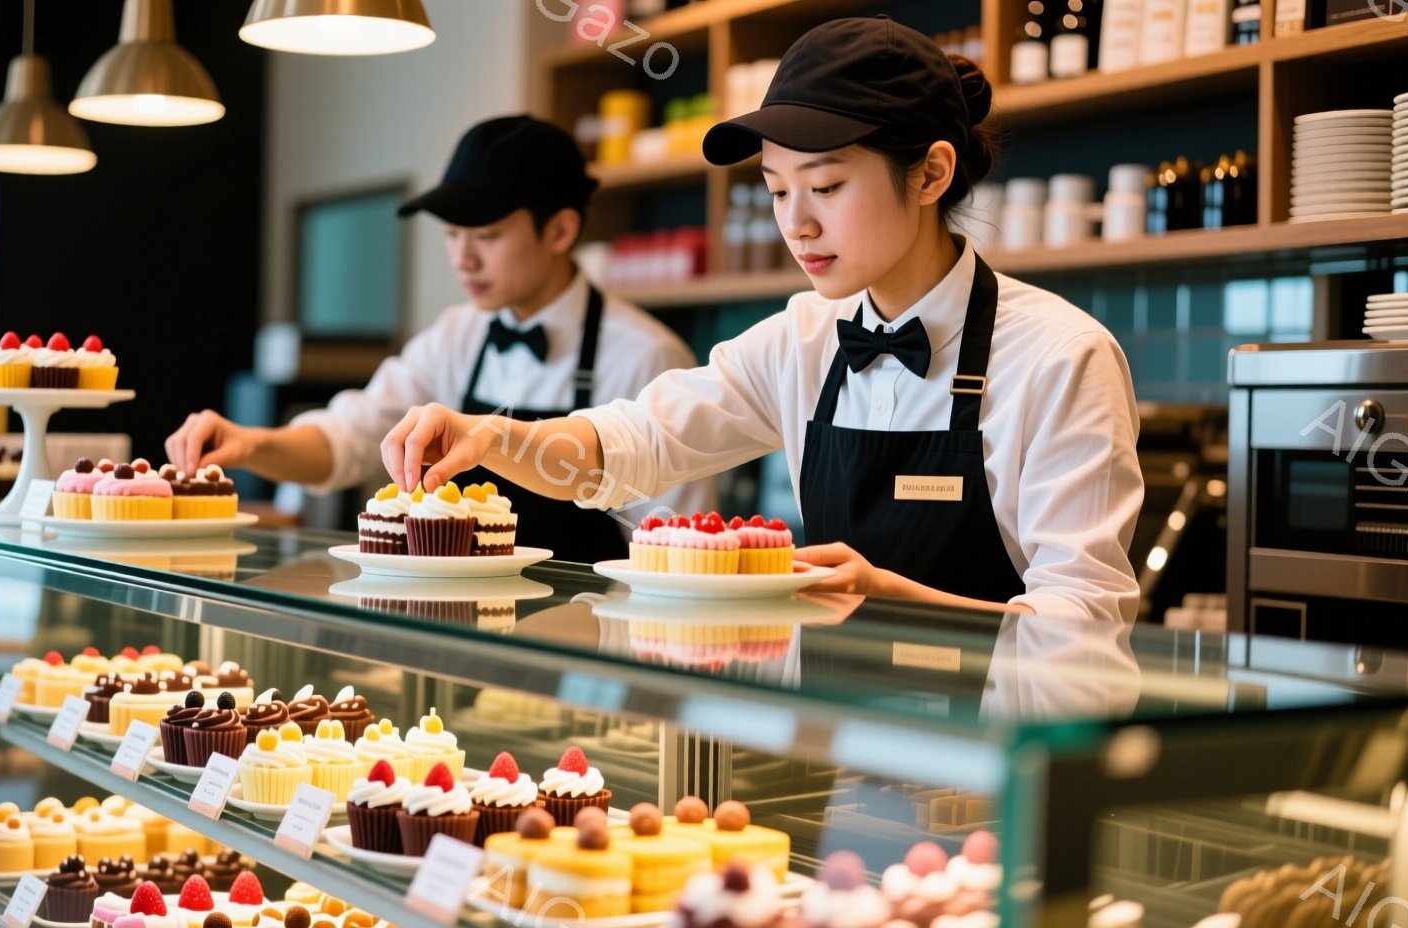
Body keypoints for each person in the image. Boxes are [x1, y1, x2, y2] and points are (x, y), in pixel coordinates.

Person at [378, 18, 1144, 622]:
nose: (797, 225)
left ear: (932, 173)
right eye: (778, 192)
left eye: (828, 186)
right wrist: (492, 435)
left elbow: (1084, 625)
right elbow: (637, 443)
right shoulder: (802, 337)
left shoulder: (1059, 356)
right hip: (839, 758)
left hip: (1004, 775)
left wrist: (894, 596)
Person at [167, 115, 713, 562]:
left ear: (561, 231)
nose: (462, 258)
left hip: (587, 654)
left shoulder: (646, 355)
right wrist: (251, 444)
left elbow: (675, 546)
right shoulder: (457, 334)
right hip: (458, 631)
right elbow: (351, 437)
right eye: (452, 235)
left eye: (487, 235)